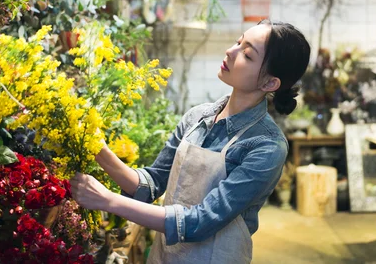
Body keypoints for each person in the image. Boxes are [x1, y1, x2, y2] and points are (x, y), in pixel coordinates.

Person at [70, 20, 311, 263]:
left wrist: (108, 200)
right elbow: (152, 184)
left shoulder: (266, 146)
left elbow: (199, 223)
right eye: (238, 41)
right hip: (164, 256)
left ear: (269, 83)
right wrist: (96, 146)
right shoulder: (198, 116)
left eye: (247, 54)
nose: (230, 51)